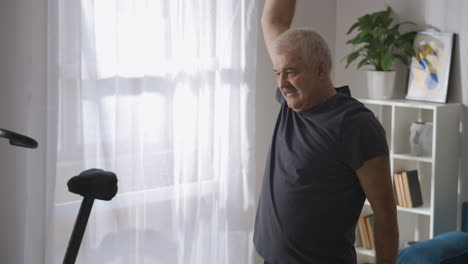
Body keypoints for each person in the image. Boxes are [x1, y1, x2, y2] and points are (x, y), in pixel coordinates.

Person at [253, 1, 399, 263]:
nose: (282, 83)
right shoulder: (291, 105)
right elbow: (272, 21)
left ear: (321, 70)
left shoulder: (355, 125)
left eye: (290, 72)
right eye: (277, 73)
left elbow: (385, 212)